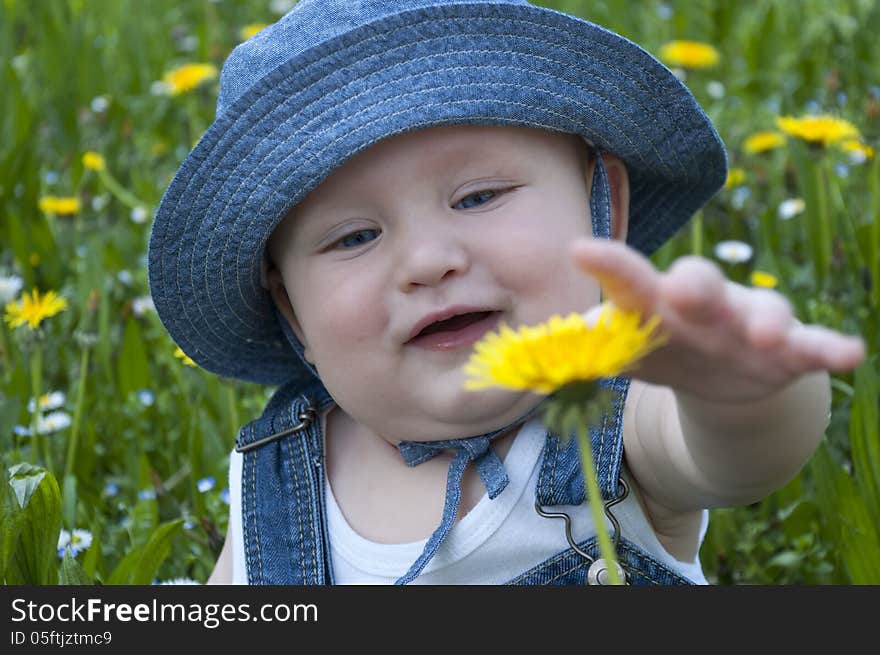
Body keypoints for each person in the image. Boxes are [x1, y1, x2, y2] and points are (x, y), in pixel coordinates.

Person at [147, 0, 866, 585]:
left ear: (602, 209)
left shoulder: (619, 412)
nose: (427, 260)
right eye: (353, 237)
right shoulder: (274, 481)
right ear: (290, 310)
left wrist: (740, 392)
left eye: (479, 195)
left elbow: (737, 460)